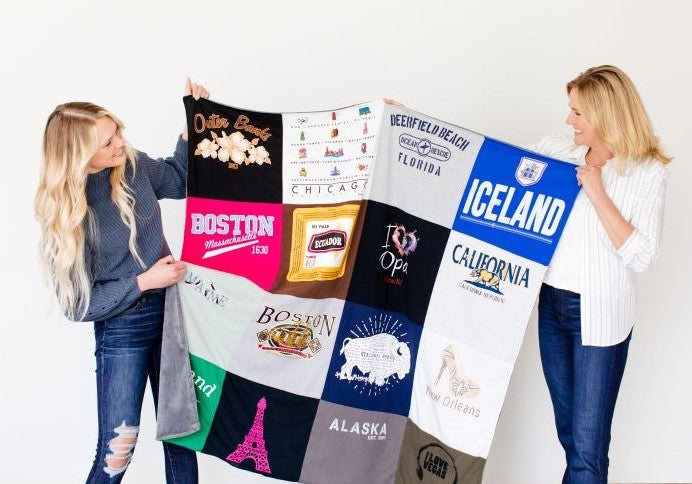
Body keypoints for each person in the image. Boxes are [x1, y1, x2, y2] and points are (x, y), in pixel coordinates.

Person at [35, 78, 210, 483]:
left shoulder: (130, 165)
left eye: (118, 133)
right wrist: (145, 281)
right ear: (79, 154)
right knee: (117, 449)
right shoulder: (68, 214)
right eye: (107, 142)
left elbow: (180, 179)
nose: (120, 144)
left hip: (173, 314)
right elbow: (79, 306)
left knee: (182, 439)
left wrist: (191, 124)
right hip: (123, 328)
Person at [530, 65, 671, 482]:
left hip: (599, 314)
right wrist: (411, 122)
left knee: (588, 450)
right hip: (551, 307)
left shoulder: (648, 172)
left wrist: (596, 191)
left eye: (578, 113)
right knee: (571, 437)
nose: (568, 121)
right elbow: (488, 155)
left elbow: (642, 255)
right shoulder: (559, 155)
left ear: (607, 115)